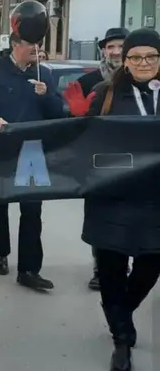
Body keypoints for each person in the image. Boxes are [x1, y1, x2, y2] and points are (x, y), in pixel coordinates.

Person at [82, 28, 160, 371]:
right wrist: (76, 117)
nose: (144, 63)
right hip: (113, 196)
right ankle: (122, 339)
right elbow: (83, 142)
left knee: (151, 264)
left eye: (152, 56)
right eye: (136, 57)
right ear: (125, 61)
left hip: (156, 198)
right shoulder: (106, 93)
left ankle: (121, 312)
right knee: (112, 269)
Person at [0, 32, 66, 290]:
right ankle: (0, 254)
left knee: (32, 211)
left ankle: (29, 269)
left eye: (40, 44)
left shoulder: (43, 74)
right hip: (2, 149)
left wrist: (46, 95)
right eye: (32, 43)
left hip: (33, 152)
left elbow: (59, 112)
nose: (38, 48)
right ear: (15, 45)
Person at [64, 27, 129, 291]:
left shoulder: (141, 81)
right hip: (99, 160)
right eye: (110, 47)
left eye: (120, 46)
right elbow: (70, 128)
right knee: (102, 216)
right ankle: (100, 268)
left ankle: (124, 265)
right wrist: (77, 115)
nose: (115, 52)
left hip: (136, 160)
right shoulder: (88, 82)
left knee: (130, 215)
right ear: (103, 50)